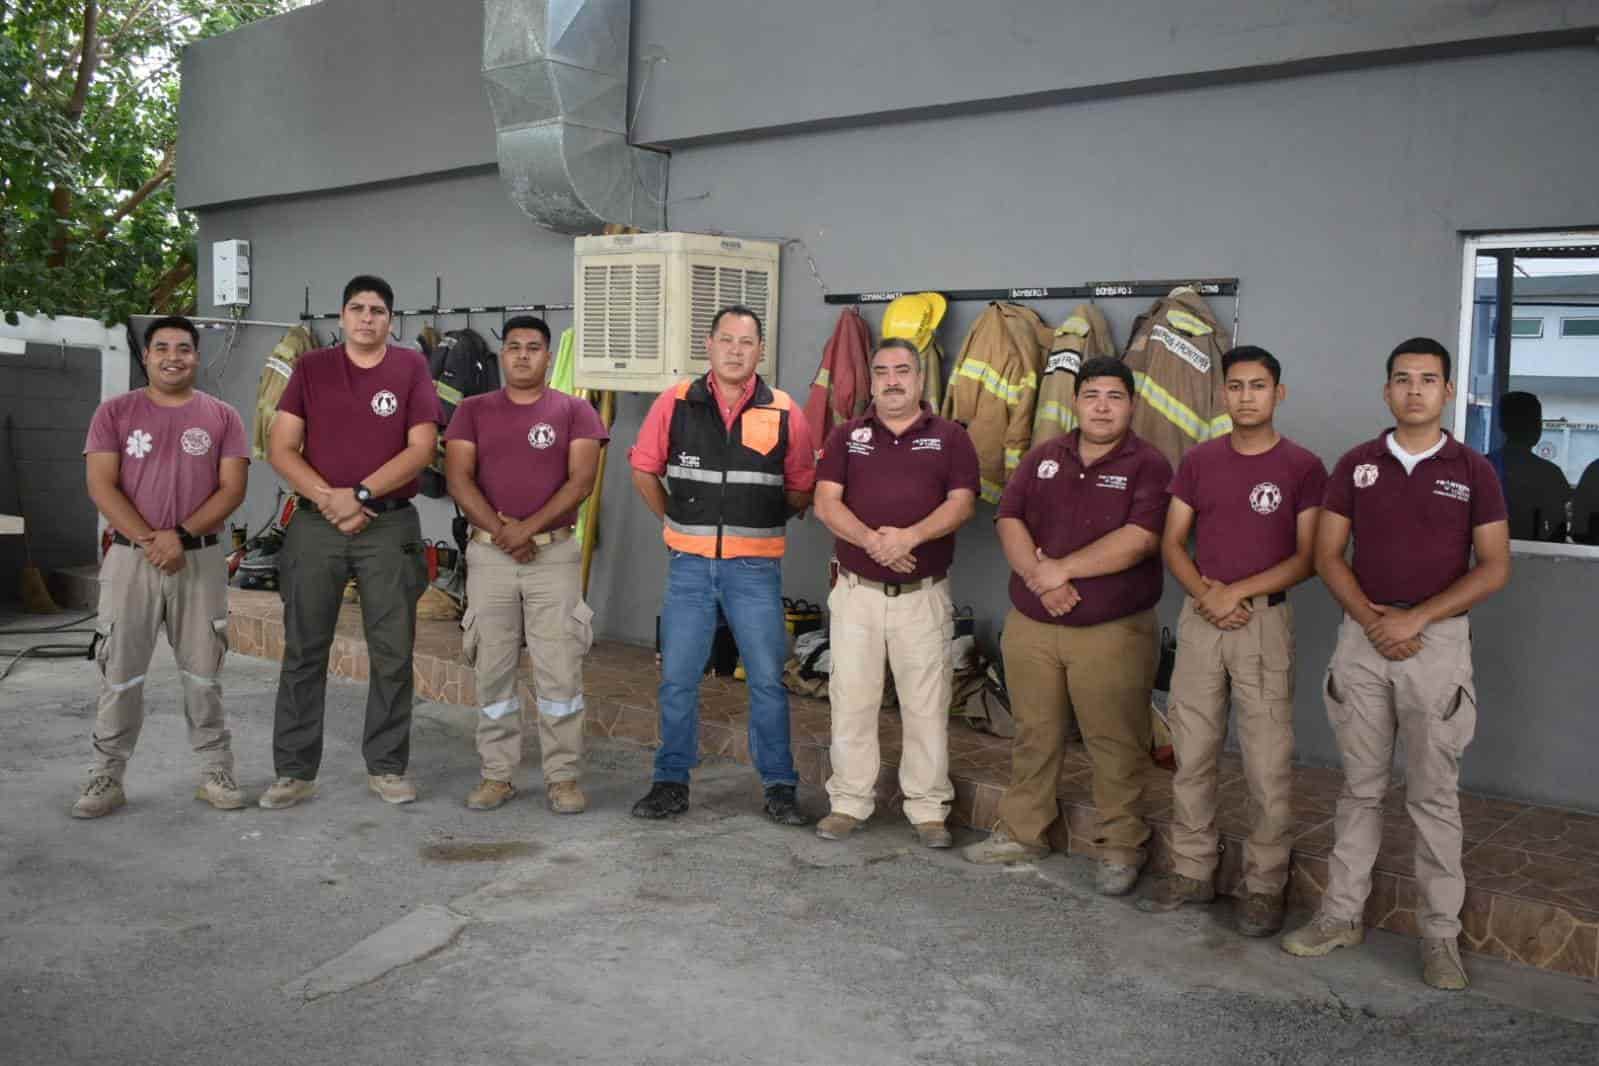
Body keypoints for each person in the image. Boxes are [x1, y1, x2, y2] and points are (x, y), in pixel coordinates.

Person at [1281, 338, 1510, 991]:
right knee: (1359, 788)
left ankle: (1439, 935)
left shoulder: (1473, 470)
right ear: (1386, 391)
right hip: (1363, 639)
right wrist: (1373, 619)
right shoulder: (1356, 464)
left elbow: (1494, 565)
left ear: (1447, 391)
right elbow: (1327, 554)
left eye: (1428, 379)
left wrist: (1417, 619)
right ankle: (1340, 915)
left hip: (1436, 644)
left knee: (1433, 795)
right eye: (1402, 379)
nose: (1414, 390)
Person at [962, 357, 1172, 896]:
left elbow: (1141, 538)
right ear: (1075, 402)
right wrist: (1041, 580)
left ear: (1131, 405)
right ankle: (1024, 832)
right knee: (1034, 734)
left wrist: (1063, 569)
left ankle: (1121, 845)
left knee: (1116, 741)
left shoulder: (1149, 465)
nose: (1102, 407)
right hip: (1034, 625)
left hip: (1113, 631)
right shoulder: (1045, 457)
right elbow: (1009, 518)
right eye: (1092, 395)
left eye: (1114, 397)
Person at [1139, 346, 1327, 935]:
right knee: (1191, 752)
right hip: (1202, 619)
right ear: (1223, 394)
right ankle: (1192, 869)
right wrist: (1207, 595)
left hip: (1263, 624)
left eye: (1259, 386)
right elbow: (1173, 542)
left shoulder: (1303, 467)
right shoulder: (1200, 461)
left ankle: (1265, 885)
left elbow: (1309, 558)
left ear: (1279, 393)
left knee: (1267, 763)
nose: (1247, 396)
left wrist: (1236, 593)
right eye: (1237, 386)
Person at [627, 305, 817, 824]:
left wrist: (760, 522)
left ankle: (779, 787)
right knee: (677, 680)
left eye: (747, 342)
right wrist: (674, 521)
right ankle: (670, 783)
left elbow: (802, 487)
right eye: (727, 340)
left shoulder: (784, 410)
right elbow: (643, 469)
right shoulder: (675, 402)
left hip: (754, 573)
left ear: (761, 351)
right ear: (709, 345)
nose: (736, 350)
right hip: (689, 569)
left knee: (767, 682)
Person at [262, 275, 440, 809]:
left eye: (378, 310)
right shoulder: (312, 368)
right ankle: (294, 772)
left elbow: (422, 448)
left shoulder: (411, 367)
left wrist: (360, 494)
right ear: (341, 317)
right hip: (317, 526)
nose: (367, 318)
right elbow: (281, 446)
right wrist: (330, 498)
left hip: (388, 526)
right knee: (304, 650)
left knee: (392, 652)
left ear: (391, 320)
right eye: (357, 308)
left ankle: (387, 766)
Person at [76, 315, 250, 817]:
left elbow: (232, 489)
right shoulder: (115, 413)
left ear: (196, 356)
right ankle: (106, 776)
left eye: (184, 348)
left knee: (204, 672)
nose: (173, 357)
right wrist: (151, 539)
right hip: (131, 560)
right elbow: (101, 484)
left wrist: (182, 535)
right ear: (147, 356)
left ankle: (215, 770)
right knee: (120, 671)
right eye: (162, 348)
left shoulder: (223, 417)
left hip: (200, 560)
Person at [811, 338, 979, 848]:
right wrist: (874, 542)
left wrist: (910, 538)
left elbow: (962, 503)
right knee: (852, 700)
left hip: (923, 596)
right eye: (882, 371)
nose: (892, 380)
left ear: (920, 379)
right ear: (873, 381)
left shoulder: (951, 437)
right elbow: (825, 503)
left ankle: (928, 808)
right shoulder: (847, 436)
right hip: (857, 593)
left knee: (926, 705)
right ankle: (849, 801)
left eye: (902, 370)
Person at [444, 315, 608, 812]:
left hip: (553, 555)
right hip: (489, 556)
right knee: (492, 670)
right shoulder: (472, 411)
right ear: (502, 355)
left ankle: (563, 778)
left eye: (533, 347)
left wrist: (527, 529)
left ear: (548, 355)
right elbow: (458, 479)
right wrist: (505, 534)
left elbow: (581, 482)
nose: (522, 355)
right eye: (513, 346)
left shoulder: (575, 411)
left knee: (560, 673)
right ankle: (497, 775)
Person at [1489, 391, 1568, 542]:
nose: (1539, 427)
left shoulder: (1481, 466)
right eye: (1536, 421)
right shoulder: (1550, 474)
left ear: (1501, 425)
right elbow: (1558, 532)